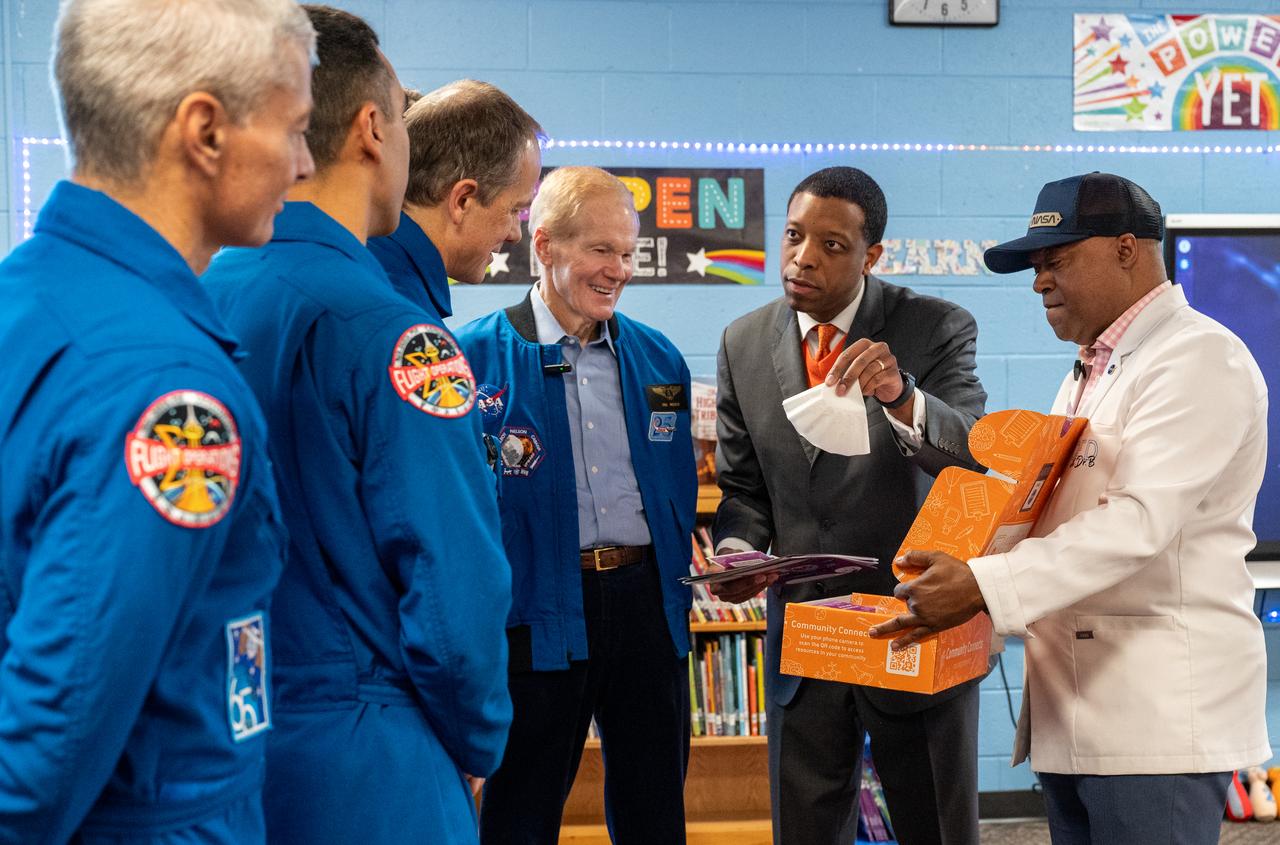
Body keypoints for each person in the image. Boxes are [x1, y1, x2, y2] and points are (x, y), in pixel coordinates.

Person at [871, 172, 1272, 845]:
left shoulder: (1200, 358)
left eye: (1056, 260)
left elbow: (1135, 521)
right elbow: (1050, 514)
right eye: (1034, 265)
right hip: (1077, 716)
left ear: (1126, 248)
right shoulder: (1088, 370)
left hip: (1154, 727)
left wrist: (981, 586)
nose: (1038, 282)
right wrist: (968, 578)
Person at [0, 1, 314, 841]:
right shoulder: (166, 387)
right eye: (293, 128)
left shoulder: (27, 298)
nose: (304, 162)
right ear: (205, 131)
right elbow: (47, 750)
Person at [202, 7, 512, 844]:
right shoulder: (395, 334)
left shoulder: (202, 293)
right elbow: (455, 584)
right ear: (373, 128)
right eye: (407, 118)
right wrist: (479, 736)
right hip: (367, 753)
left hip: (217, 738)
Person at [710, 166, 988, 845]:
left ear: (872, 257)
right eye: (794, 236)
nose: (804, 257)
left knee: (937, 831)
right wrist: (736, 550)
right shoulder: (743, 342)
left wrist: (900, 395)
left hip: (913, 628)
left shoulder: (935, 326)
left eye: (832, 245)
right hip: (804, 643)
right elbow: (744, 490)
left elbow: (970, 459)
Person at [455, 166, 698, 845]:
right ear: (546, 246)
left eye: (627, 252)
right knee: (520, 816)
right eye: (600, 250)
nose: (617, 269)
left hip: (645, 607)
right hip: (535, 613)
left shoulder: (658, 359)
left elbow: (677, 493)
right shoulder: (473, 357)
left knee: (655, 815)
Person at [368, 79, 542, 321]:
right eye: (513, 210)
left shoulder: (371, 268)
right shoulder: (400, 314)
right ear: (462, 201)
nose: (516, 235)